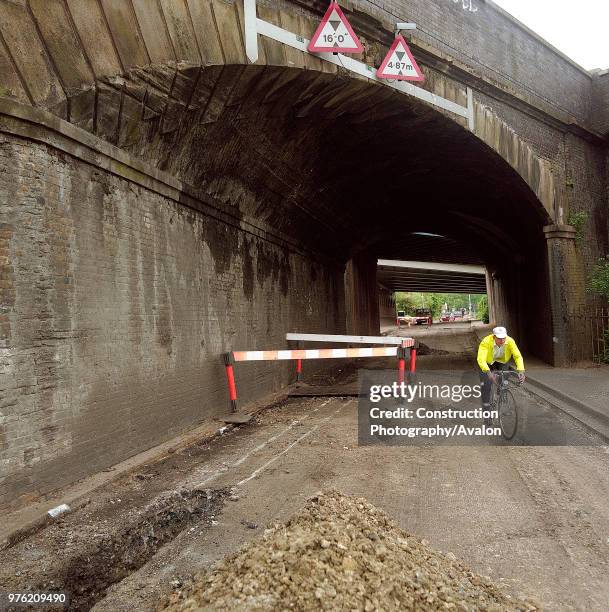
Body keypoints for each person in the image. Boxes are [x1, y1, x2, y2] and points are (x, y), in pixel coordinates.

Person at [477, 326, 525, 414]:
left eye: (503, 338)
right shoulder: (486, 341)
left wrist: (521, 371)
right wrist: (488, 372)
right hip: (488, 362)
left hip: (502, 361)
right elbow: (481, 359)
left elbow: (517, 356)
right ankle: (487, 407)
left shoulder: (510, 341)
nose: (502, 341)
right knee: (487, 383)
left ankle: (503, 402)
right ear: (494, 337)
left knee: (504, 381)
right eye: (499, 338)